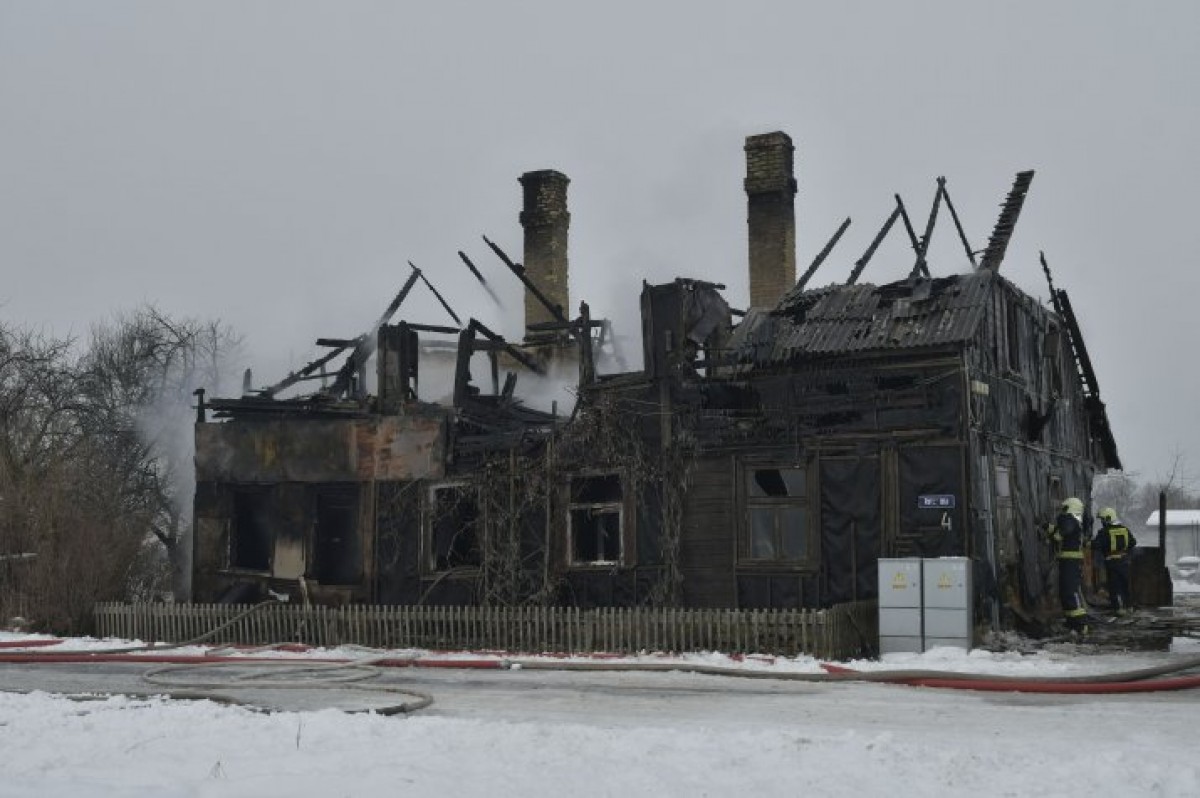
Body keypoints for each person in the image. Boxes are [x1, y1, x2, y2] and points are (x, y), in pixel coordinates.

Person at [1047, 497, 1089, 634]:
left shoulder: (1070, 521)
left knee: (1071, 591)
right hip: (1068, 561)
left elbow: (1059, 536)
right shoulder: (1074, 522)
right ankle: (1072, 622)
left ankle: (1081, 623)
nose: (1062, 511)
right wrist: (1046, 527)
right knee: (1065, 592)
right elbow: (1059, 532)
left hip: (1071, 562)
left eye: (1064, 508)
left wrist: (1057, 524)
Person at [1092, 507, 1137, 616]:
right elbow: (1133, 542)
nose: (1102, 522)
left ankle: (1118, 609)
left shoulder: (1104, 532)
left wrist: (1088, 543)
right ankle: (1129, 607)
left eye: (1103, 519)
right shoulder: (1125, 529)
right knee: (1125, 584)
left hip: (1112, 562)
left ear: (1108, 518)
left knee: (1114, 586)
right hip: (1124, 561)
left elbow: (1096, 545)